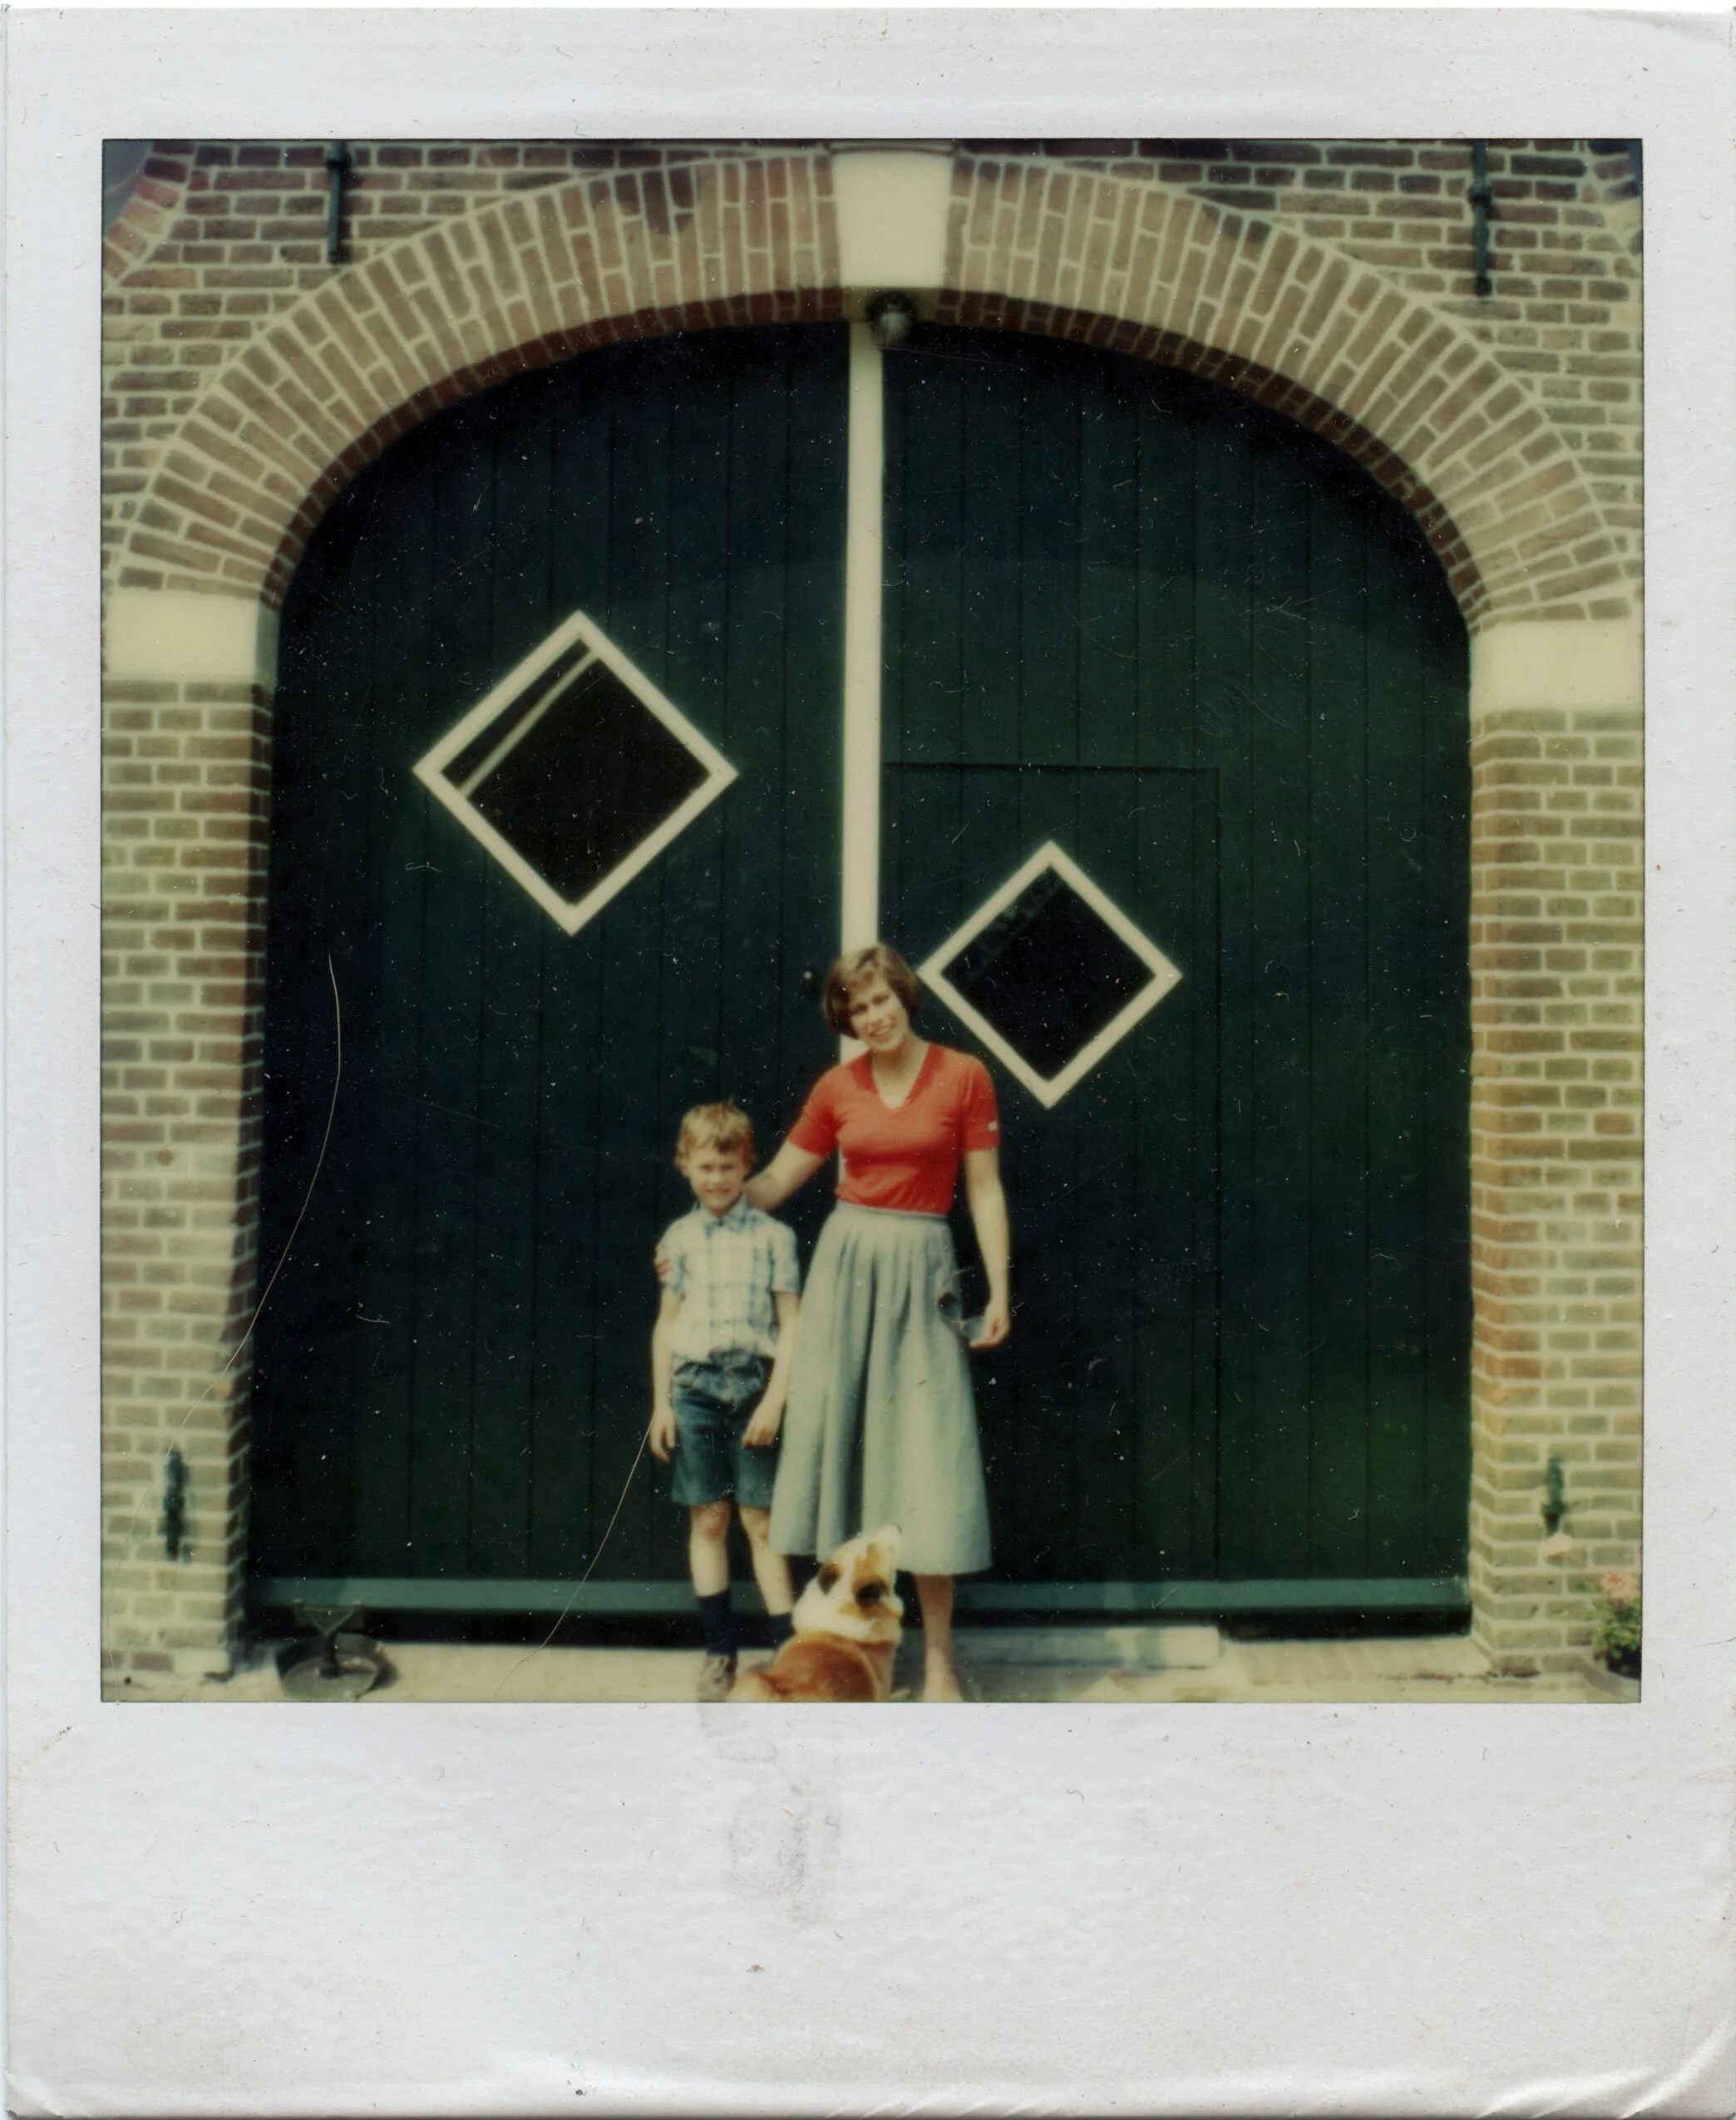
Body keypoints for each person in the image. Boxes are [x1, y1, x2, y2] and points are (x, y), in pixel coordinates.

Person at [745, 944, 1011, 1703]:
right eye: (857, 1008)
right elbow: (779, 1179)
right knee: (845, 1457)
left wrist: (998, 1290)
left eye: (881, 999)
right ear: (846, 1020)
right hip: (846, 1273)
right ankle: (850, 1662)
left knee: (927, 1466)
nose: (873, 1016)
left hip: (922, 1273)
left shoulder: (964, 1075)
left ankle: (939, 1665)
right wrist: (710, 1214)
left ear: (904, 997)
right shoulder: (838, 1087)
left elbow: (983, 1189)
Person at [649, 1102, 801, 1703]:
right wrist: (663, 1404)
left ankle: (788, 1652)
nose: (717, 1179)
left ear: (747, 1166)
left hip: (754, 1389)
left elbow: (791, 1324)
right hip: (694, 1390)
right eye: (706, 1167)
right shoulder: (678, 1240)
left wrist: (776, 1402)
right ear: (686, 1165)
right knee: (709, 1520)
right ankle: (719, 1652)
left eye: (728, 1167)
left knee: (761, 1521)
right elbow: (667, 1325)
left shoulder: (774, 1238)